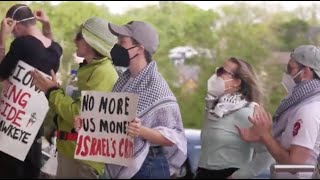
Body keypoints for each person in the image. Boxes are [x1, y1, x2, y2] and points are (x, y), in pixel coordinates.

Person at [75, 20, 187, 179]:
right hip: (127, 163)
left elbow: (175, 137)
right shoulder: (123, 81)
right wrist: (88, 124)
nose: (116, 47)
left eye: (122, 42)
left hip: (148, 166)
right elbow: (113, 123)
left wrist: (141, 131)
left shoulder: (156, 87)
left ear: (140, 48)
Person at [31, 17, 119, 178]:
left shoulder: (103, 72)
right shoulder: (90, 69)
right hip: (71, 153)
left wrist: (52, 91)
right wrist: (54, 91)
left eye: (79, 36)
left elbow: (80, 114)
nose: (74, 40)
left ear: (90, 41)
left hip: (83, 160)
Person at [237, 45, 320, 178]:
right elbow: (284, 146)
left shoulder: (308, 110)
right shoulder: (300, 104)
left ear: (305, 72)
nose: (286, 73)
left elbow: (294, 165)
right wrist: (261, 137)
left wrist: (265, 136)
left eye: (290, 68)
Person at [0, 4, 62, 178]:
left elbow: (1, 73)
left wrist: (2, 38)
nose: (13, 34)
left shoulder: (22, 44)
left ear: (16, 25)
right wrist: (47, 26)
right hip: (33, 127)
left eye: (13, 30)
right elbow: (49, 44)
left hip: (12, 127)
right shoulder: (56, 50)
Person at [195, 57, 274, 179]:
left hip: (227, 173)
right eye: (217, 70)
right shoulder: (214, 109)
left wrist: (238, 176)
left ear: (237, 82)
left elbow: (266, 153)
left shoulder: (247, 112)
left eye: (222, 71)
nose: (216, 75)